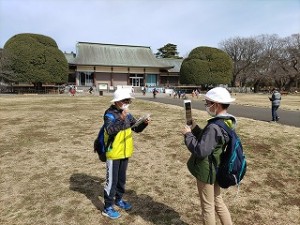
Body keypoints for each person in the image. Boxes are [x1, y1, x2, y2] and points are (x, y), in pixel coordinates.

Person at [181, 87, 234, 225]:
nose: (206, 106)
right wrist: (194, 127)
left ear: (216, 104)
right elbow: (209, 141)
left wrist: (188, 135)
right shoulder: (226, 121)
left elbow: (200, 150)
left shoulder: (214, 127)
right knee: (218, 201)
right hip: (216, 166)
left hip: (207, 171)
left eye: (207, 103)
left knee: (208, 207)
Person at [101, 88, 151, 219]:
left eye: (129, 101)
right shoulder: (109, 114)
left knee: (121, 180)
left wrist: (144, 123)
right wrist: (120, 119)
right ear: (117, 101)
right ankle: (107, 207)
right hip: (113, 153)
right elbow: (110, 130)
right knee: (111, 181)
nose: (127, 103)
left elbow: (136, 128)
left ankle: (119, 199)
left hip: (125, 152)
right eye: (125, 100)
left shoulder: (128, 114)